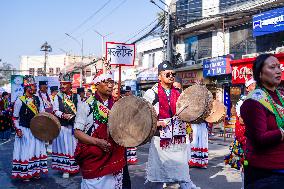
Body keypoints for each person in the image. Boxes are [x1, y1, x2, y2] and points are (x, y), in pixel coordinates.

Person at [143, 61, 199, 189]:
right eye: (167, 74)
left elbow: (186, 113)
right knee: (158, 175)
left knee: (181, 170)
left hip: (177, 138)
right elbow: (142, 115)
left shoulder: (179, 93)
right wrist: (156, 123)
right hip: (160, 139)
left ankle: (186, 185)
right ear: (159, 77)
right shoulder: (151, 93)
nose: (171, 76)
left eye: (173, 73)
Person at [74, 73, 126, 189]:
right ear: (97, 85)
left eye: (112, 82)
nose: (110, 85)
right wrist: (98, 142)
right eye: (106, 82)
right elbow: (77, 133)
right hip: (94, 156)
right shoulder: (86, 105)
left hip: (114, 154)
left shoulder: (118, 105)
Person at [241, 54, 284, 188]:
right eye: (272, 67)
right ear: (260, 74)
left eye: (279, 67)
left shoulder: (280, 96)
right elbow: (260, 138)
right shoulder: (253, 101)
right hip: (266, 173)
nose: (278, 71)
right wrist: (282, 132)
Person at [11, 76, 48, 181]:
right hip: (25, 130)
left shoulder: (38, 99)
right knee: (27, 153)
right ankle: (25, 174)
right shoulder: (19, 101)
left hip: (36, 131)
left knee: (36, 152)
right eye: (33, 86)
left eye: (35, 86)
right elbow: (15, 117)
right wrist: (18, 129)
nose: (35, 88)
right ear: (27, 88)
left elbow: (42, 113)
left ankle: (36, 172)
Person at [224, 77, 256, 189]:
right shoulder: (242, 101)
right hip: (245, 138)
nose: (256, 87)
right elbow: (242, 120)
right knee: (246, 163)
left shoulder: (258, 100)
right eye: (254, 85)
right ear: (248, 88)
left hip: (255, 137)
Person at [52, 73, 79, 178]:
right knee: (64, 147)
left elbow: (80, 110)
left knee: (73, 147)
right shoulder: (57, 97)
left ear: (70, 85)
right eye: (61, 84)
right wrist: (63, 115)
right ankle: (65, 169)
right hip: (63, 127)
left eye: (64, 84)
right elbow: (55, 110)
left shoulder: (76, 96)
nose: (62, 86)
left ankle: (73, 167)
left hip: (73, 127)